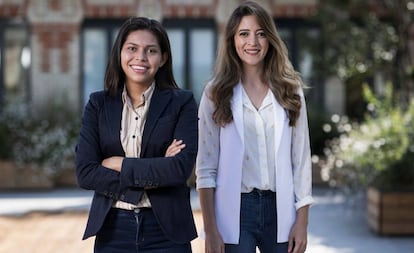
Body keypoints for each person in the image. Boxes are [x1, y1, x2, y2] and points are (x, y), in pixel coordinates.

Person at [196, 2, 314, 253]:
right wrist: (211, 230)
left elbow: (300, 160)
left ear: (270, 39)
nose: (253, 42)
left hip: (280, 207)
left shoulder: (290, 90)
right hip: (235, 209)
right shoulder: (215, 93)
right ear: (232, 40)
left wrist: (302, 221)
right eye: (244, 34)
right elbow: (206, 167)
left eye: (261, 33)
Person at [75, 17, 198, 253]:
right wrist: (156, 170)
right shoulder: (98, 104)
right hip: (113, 228)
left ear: (162, 58)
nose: (140, 57)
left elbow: (179, 169)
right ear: (120, 53)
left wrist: (118, 163)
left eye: (150, 50)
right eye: (132, 48)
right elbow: (86, 172)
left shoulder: (181, 103)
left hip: (167, 231)